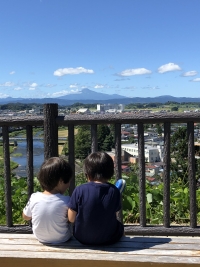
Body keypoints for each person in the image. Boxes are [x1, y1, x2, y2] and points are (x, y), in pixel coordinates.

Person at [68, 151, 126, 246]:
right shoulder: (114, 191)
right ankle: (124, 244)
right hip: (109, 239)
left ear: (87, 173)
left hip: (82, 238)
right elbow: (114, 214)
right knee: (120, 227)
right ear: (110, 172)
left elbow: (71, 218)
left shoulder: (79, 190)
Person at [22, 157, 73, 244]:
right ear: (61, 181)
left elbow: (25, 216)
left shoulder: (35, 197)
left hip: (41, 238)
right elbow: (71, 219)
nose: (69, 185)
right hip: (63, 238)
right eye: (68, 181)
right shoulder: (67, 200)